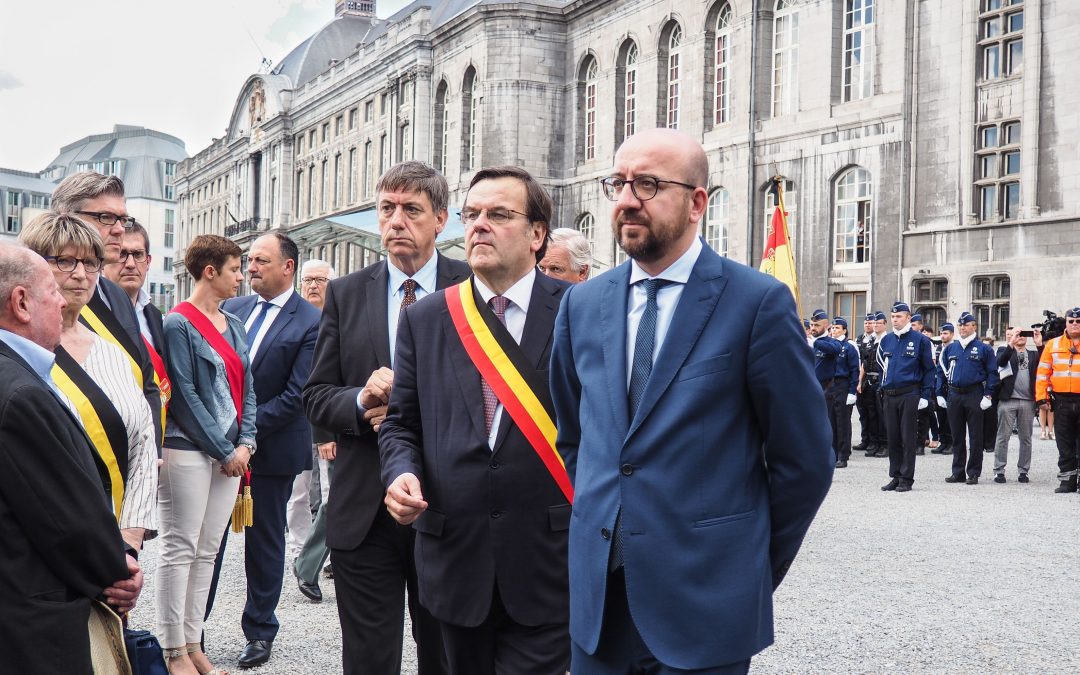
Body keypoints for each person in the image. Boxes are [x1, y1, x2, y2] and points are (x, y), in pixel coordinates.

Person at [549, 128, 833, 673]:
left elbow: (805, 463)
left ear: (697, 202)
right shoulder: (582, 306)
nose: (628, 199)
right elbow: (575, 439)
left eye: (649, 184)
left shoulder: (756, 303)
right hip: (599, 607)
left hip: (706, 606)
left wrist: (744, 568)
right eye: (620, 183)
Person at [380, 165, 571, 675]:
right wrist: (400, 472)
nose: (480, 225)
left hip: (548, 557)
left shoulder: (578, 310)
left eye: (499, 214)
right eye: (473, 214)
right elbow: (401, 424)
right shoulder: (427, 317)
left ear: (537, 234)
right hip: (453, 559)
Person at [304, 161, 463, 675]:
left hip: (445, 504)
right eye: (387, 209)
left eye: (411, 210)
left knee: (446, 653)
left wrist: (418, 410)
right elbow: (317, 395)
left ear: (440, 219)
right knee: (370, 659)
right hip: (364, 510)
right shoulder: (348, 294)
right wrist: (360, 401)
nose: (396, 221)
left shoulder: (470, 289)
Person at [0, 243, 142, 674]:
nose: (63, 300)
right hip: (33, 619)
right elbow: (66, 519)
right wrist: (116, 570)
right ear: (21, 303)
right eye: (51, 290)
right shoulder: (21, 395)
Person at [212, 232, 320, 669]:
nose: (249, 268)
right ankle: (190, 631)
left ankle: (259, 632)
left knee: (265, 544)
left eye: (259, 260)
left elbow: (299, 394)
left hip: (271, 453)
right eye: (248, 260)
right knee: (207, 543)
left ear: (287, 266)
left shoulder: (311, 321)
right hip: (218, 449)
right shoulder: (231, 310)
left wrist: (245, 432)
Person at [19, 213, 158, 552]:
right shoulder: (17, 351)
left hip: (114, 544)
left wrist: (130, 540)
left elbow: (143, 446)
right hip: (37, 548)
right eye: (65, 261)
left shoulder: (114, 355)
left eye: (90, 262)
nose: (80, 274)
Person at [156, 234, 257, 675]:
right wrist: (224, 448)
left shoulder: (234, 324)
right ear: (210, 271)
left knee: (208, 550)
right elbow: (182, 393)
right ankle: (172, 648)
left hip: (232, 453)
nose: (243, 276)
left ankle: (194, 642)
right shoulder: (177, 323)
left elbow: (249, 388)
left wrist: (246, 443)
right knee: (180, 548)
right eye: (236, 269)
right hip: (189, 449)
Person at [52, 172, 162, 447]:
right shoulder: (42, 289)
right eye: (105, 218)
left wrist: (151, 448)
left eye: (122, 219)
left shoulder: (117, 293)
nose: (119, 229)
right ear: (67, 216)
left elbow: (146, 381)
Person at [287, 259, 335, 588]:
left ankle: (316, 560)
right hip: (295, 418)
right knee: (300, 491)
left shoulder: (338, 320)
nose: (312, 285)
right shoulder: (295, 320)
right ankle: (300, 551)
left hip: (328, 420)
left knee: (331, 492)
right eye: (307, 279)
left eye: (319, 279)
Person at [103, 222, 171, 433]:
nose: (131, 264)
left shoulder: (155, 316)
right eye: (123, 254)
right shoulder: (91, 314)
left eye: (138, 254)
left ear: (148, 261)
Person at [878, 302, 935, 492]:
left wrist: (925, 395)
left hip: (909, 393)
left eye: (899, 317)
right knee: (892, 437)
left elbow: (928, 369)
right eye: (893, 317)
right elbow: (882, 367)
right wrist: (882, 386)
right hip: (890, 395)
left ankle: (906, 478)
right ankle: (895, 475)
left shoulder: (921, 340)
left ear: (908, 318)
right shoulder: (886, 340)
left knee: (907, 437)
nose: (895, 320)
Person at [936, 312, 998, 485]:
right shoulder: (951, 348)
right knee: (957, 435)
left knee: (975, 436)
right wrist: (939, 393)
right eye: (960, 325)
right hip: (954, 394)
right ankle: (958, 472)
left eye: (966, 324)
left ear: (974, 327)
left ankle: (973, 472)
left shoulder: (984, 348)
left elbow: (993, 373)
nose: (962, 327)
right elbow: (941, 371)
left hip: (974, 394)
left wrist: (988, 394)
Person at [1035, 307, 1080, 493]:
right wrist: (1041, 398)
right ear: (1066, 323)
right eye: (1071, 321)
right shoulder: (1052, 345)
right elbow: (1043, 373)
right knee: (1064, 442)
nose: (1075, 324)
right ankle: (1067, 481)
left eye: (1078, 321)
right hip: (1061, 400)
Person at [993, 327, 1041, 483]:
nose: (1021, 337)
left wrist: (1039, 344)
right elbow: (1000, 362)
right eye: (1017, 335)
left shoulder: (1033, 354)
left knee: (1026, 438)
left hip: (1028, 401)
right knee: (1003, 437)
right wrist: (1011, 343)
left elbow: (1045, 362)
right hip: (1008, 399)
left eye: (1023, 335)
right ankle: (999, 470)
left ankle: (1023, 471)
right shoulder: (1004, 350)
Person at [830, 317, 860, 468]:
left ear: (844, 330)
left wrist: (852, 391)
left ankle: (843, 455)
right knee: (830, 422)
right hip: (830, 385)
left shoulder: (849, 347)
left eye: (836, 328)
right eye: (832, 328)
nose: (833, 330)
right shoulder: (828, 345)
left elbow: (855, 370)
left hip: (843, 384)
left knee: (842, 422)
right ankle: (832, 454)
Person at [930, 323, 955, 455]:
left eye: (945, 333)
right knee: (940, 415)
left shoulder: (954, 348)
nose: (943, 336)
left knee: (950, 417)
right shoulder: (939, 348)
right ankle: (943, 441)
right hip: (940, 386)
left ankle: (951, 443)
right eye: (941, 333)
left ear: (952, 334)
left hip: (951, 387)